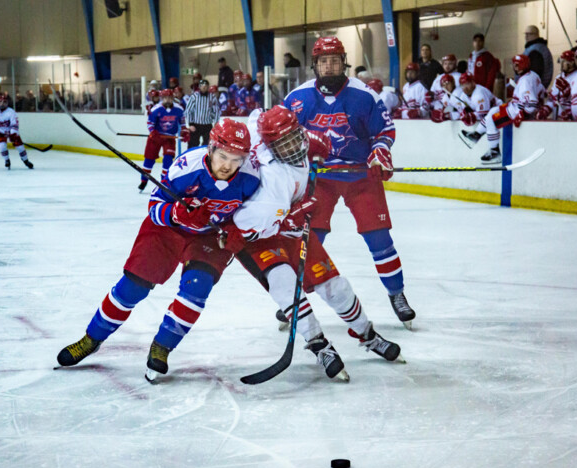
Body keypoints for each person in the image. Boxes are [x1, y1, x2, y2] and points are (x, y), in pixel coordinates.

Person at [57, 120, 260, 381]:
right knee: (133, 287)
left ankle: (162, 347)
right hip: (167, 230)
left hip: (210, 236)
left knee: (197, 288)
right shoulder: (186, 168)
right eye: (223, 156)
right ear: (211, 148)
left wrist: (238, 229)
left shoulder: (252, 178)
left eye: (236, 159)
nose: (228, 166)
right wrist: (176, 214)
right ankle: (91, 339)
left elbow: (257, 215)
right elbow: (154, 207)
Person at [220, 106, 404, 380]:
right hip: (256, 234)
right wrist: (289, 214)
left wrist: (312, 141)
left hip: (286, 224)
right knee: (285, 285)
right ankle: (318, 343)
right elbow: (247, 225)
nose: (294, 147)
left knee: (335, 286)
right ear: (272, 146)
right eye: (284, 144)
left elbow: (258, 114)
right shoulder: (276, 181)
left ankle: (367, 334)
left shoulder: (266, 131)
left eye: (295, 137)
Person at [283, 36, 416, 329]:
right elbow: (283, 137)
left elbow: (384, 131)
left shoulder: (364, 95)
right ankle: (294, 298)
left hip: (361, 177)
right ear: (315, 65)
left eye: (334, 61)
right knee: (310, 239)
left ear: (343, 62)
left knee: (379, 239)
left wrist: (380, 153)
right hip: (319, 179)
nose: (329, 67)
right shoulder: (297, 98)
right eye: (323, 62)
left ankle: (397, 294)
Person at [459, 54, 546, 164]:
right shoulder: (533, 75)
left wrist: (523, 113)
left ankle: (494, 152)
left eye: (517, 65)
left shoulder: (524, 81)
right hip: (515, 106)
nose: (515, 67)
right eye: (514, 65)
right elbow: (543, 93)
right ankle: (476, 135)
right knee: (493, 111)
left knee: (492, 119)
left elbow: (532, 104)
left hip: (517, 110)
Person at [138, 88, 188, 191]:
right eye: (165, 98)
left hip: (169, 138)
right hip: (156, 137)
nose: (167, 100)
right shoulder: (156, 109)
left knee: (168, 160)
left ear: (172, 98)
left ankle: (164, 182)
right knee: (149, 159)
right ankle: (144, 180)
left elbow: (182, 123)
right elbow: (150, 123)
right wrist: (153, 132)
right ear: (162, 98)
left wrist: (184, 132)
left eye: (169, 98)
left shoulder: (179, 109)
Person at [0, 93, 34, 170]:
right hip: (0, 132)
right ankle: (7, 160)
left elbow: (14, 125)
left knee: (20, 147)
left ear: (7, 103)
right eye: (0, 102)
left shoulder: (11, 112)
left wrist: (13, 134)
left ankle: (26, 161)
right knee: (2, 147)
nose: (2, 104)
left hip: (11, 133)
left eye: (4, 102)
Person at [537, 50, 577, 121]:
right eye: (561, 61)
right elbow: (553, 99)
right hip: (557, 119)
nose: (561, 64)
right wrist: (545, 110)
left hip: (572, 119)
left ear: (572, 62)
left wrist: (567, 92)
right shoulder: (559, 77)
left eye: (564, 61)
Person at [184, 79, 219, 148]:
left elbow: (216, 111)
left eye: (206, 86)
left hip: (207, 125)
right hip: (195, 124)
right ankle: (192, 155)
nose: (204, 87)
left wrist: (215, 122)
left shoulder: (212, 97)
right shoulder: (194, 97)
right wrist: (190, 124)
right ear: (199, 87)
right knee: (193, 144)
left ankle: (205, 155)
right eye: (202, 86)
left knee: (207, 144)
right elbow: (188, 110)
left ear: (208, 87)